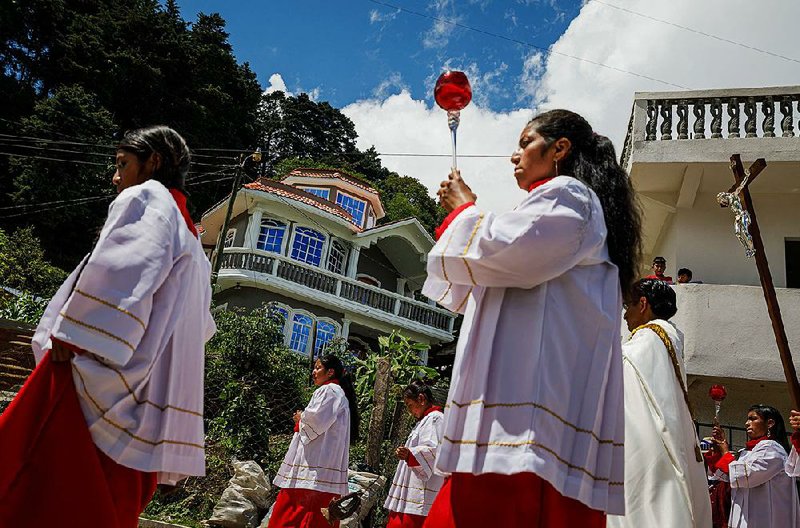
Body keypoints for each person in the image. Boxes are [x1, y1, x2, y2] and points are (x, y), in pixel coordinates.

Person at [421, 109, 642, 526]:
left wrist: (464, 211)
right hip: (523, 416)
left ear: (559, 148)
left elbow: (509, 252)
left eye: (525, 143)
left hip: (525, 421)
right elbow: (492, 277)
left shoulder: (569, 195)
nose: (514, 156)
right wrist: (465, 228)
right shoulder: (559, 203)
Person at [0, 126, 216, 527]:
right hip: (145, 404)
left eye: (122, 164)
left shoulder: (149, 197)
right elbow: (199, 329)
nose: (115, 178)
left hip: (92, 376)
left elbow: (126, 266)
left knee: (32, 491)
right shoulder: (195, 244)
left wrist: (78, 332)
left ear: (153, 162)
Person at [607, 279, 712, 527]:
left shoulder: (647, 338)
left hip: (646, 443)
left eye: (627, 306)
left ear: (643, 304)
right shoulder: (667, 337)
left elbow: (616, 377)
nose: (625, 315)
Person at [269, 354, 360, 528]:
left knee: (298, 510)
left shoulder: (330, 391)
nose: (313, 372)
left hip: (315, 466)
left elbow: (316, 421)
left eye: (318, 368)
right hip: (322, 465)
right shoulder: (337, 392)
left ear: (330, 372)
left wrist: (300, 418)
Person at [709, 405, 799, 527]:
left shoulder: (772, 448)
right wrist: (718, 452)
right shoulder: (747, 452)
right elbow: (727, 477)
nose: (747, 423)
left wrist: (725, 452)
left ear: (770, 423)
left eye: (753, 419)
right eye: (747, 419)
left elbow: (746, 475)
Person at [385, 380, 446, 528]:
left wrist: (410, 454)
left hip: (420, 495)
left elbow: (433, 450)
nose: (409, 410)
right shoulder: (425, 420)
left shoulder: (435, 418)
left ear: (421, 399)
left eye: (410, 405)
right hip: (411, 493)